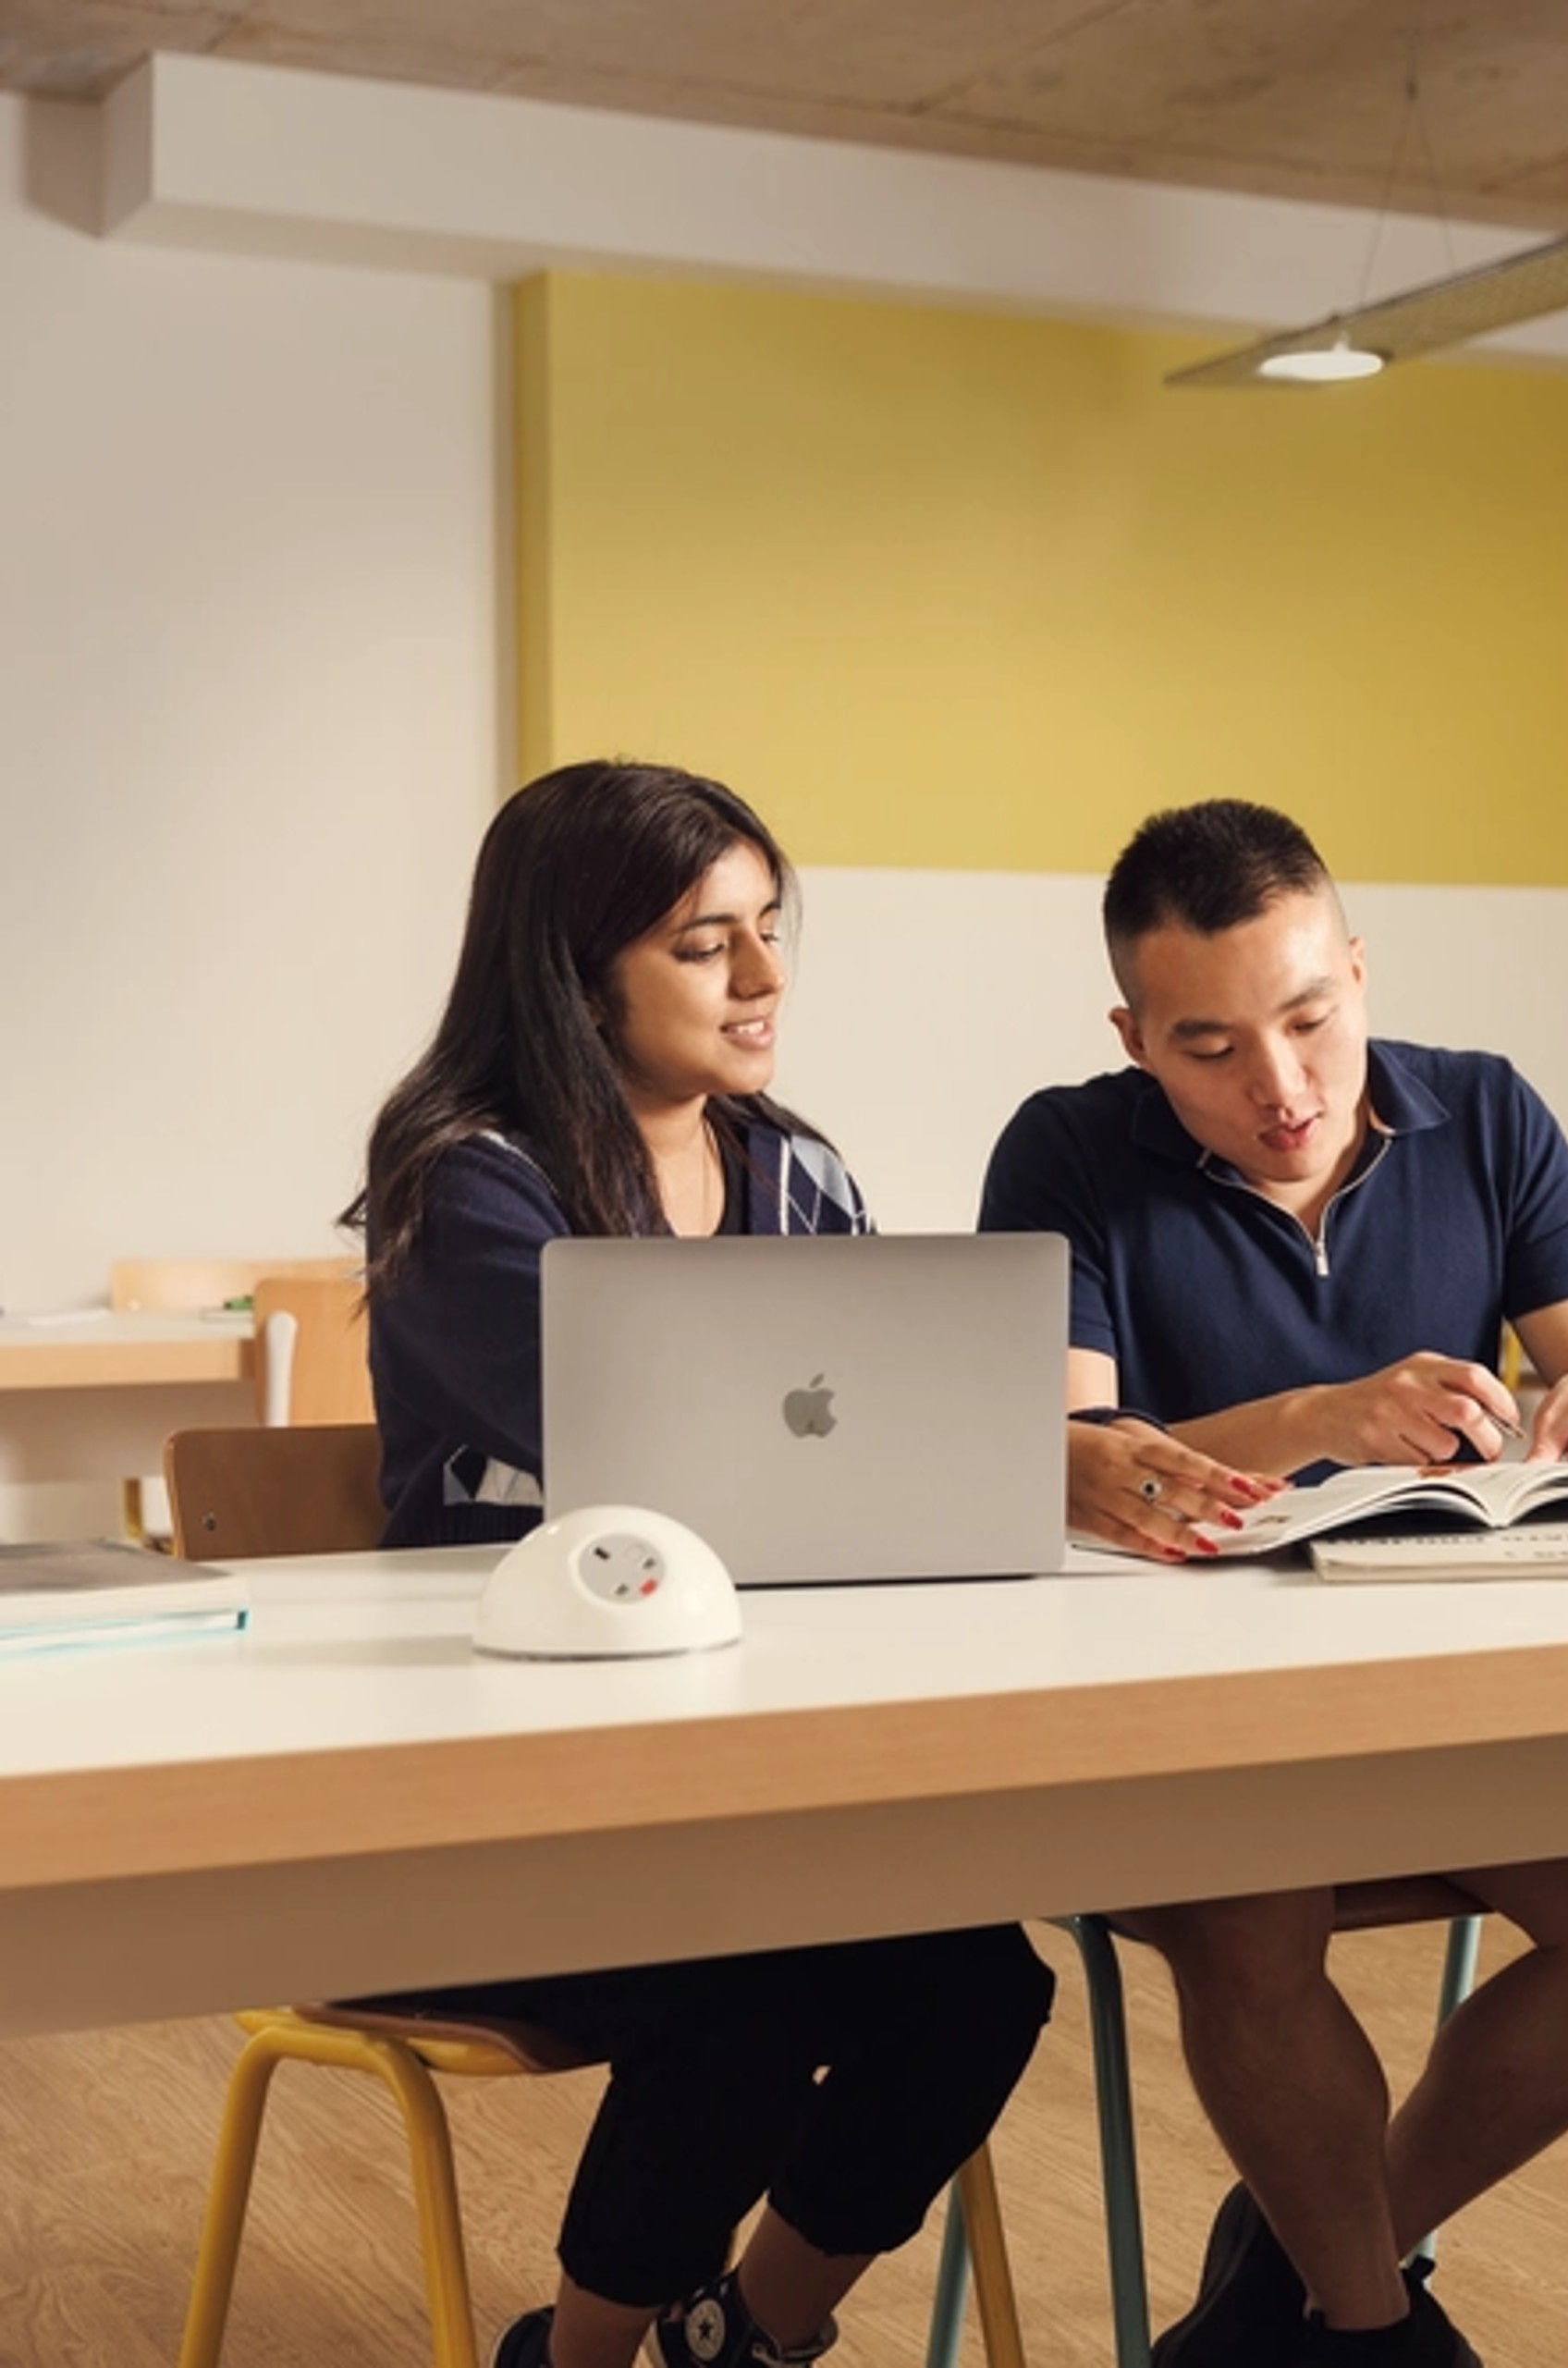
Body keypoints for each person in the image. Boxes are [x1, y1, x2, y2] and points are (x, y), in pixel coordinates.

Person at [351, 761, 1080, 2368]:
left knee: (977, 1986)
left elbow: (869, 1459)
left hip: (731, 1770)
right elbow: (656, 1478)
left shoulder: (799, 1173)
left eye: (769, 933)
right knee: (750, 1982)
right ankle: (583, 2358)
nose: (763, 982)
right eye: (704, 945)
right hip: (493, 1798)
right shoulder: (467, 1186)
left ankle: (747, 2339)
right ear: (576, 970)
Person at [977, 799, 1568, 2368]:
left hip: (1435, 1693)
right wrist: (1322, 1417)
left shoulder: (1487, 1114)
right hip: (1174, 1726)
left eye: (1314, 1020)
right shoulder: (1068, 1151)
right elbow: (1070, 1457)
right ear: (1135, 1036)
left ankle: (1305, 2267)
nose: (1285, 1087)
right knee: (1256, 1904)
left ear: (1360, 973)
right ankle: (1370, 2329)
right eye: (1212, 1047)